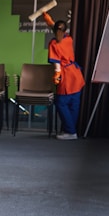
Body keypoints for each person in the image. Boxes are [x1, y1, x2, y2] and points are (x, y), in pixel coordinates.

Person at [43, 12, 85, 140]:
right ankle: (70, 130)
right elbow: (58, 30)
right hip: (76, 75)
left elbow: (57, 65)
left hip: (66, 76)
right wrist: (49, 21)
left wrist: (56, 75)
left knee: (61, 103)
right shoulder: (68, 39)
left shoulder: (53, 44)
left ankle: (71, 132)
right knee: (74, 104)